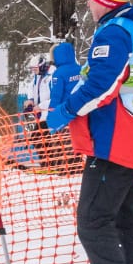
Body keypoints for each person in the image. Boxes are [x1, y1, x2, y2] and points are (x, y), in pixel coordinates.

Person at [46, 0, 133, 264]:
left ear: (102, 1)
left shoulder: (112, 33)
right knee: (128, 219)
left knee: (92, 221)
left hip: (114, 138)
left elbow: (102, 86)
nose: (88, 5)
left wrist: (66, 111)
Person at [45, 40, 82, 174]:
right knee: (76, 142)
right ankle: (77, 167)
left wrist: (52, 116)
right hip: (81, 112)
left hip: (64, 113)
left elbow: (56, 96)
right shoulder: (80, 69)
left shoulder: (58, 74)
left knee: (62, 144)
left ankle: (63, 170)